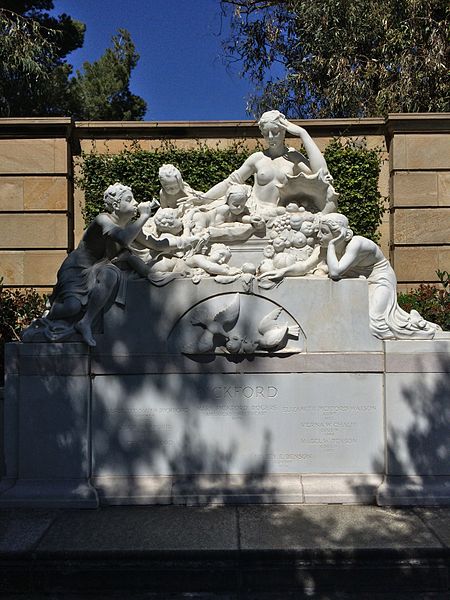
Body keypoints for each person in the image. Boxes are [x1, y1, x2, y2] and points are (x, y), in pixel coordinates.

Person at [44, 183, 155, 346]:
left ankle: (85, 322)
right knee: (72, 307)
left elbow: (156, 244)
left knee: (110, 273)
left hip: (98, 268)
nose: (136, 203)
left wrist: (187, 243)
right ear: (116, 205)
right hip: (76, 269)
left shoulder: (129, 228)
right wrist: (144, 216)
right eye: (129, 200)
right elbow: (123, 238)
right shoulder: (103, 220)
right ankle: (49, 312)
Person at [319, 213, 441, 340]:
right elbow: (306, 267)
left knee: (375, 324)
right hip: (361, 281)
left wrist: (332, 244)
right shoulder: (326, 248)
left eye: (323, 232)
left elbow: (335, 272)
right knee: (358, 319)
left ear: (339, 234)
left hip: (380, 280)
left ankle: (419, 327)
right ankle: (416, 322)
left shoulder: (356, 243)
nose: (318, 236)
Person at [202, 110, 338, 218]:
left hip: (282, 212)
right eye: (266, 133)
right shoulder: (257, 158)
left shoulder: (293, 157)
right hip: (256, 211)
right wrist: (203, 199)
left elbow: (322, 174)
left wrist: (303, 133)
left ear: (284, 131)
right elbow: (229, 183)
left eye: (275, 132)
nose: (271, 137)